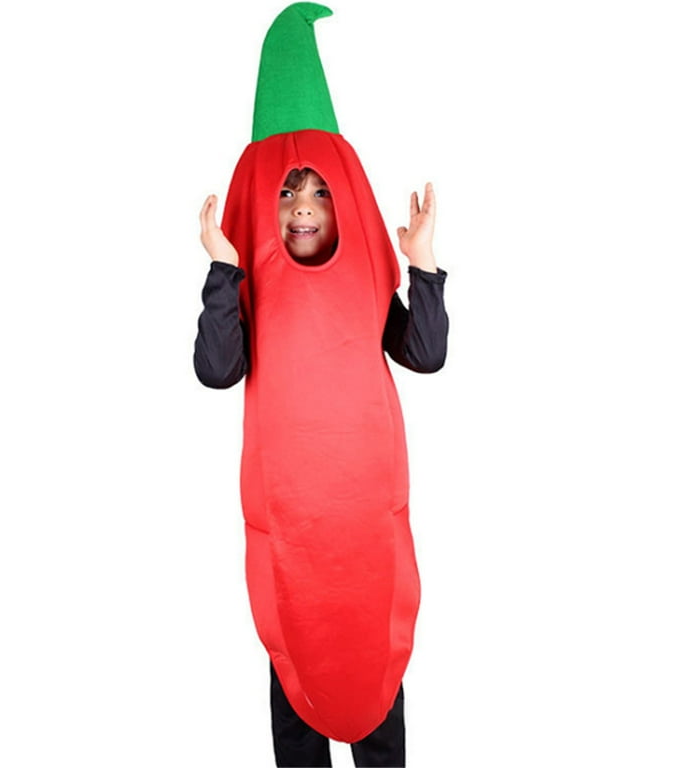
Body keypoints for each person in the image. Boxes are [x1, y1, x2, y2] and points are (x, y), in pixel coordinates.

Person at [193, 166, 448, 767]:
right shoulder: (252, 289)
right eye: (286, 193)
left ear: (346, 208)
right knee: (297, 678)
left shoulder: (364, 284)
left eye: (320, 193)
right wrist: (225, 269)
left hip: (364, 527)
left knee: (374, 679)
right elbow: (216, 369)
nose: (302, 207)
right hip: (290, 532)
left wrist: (422, 264)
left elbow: (426, 353)